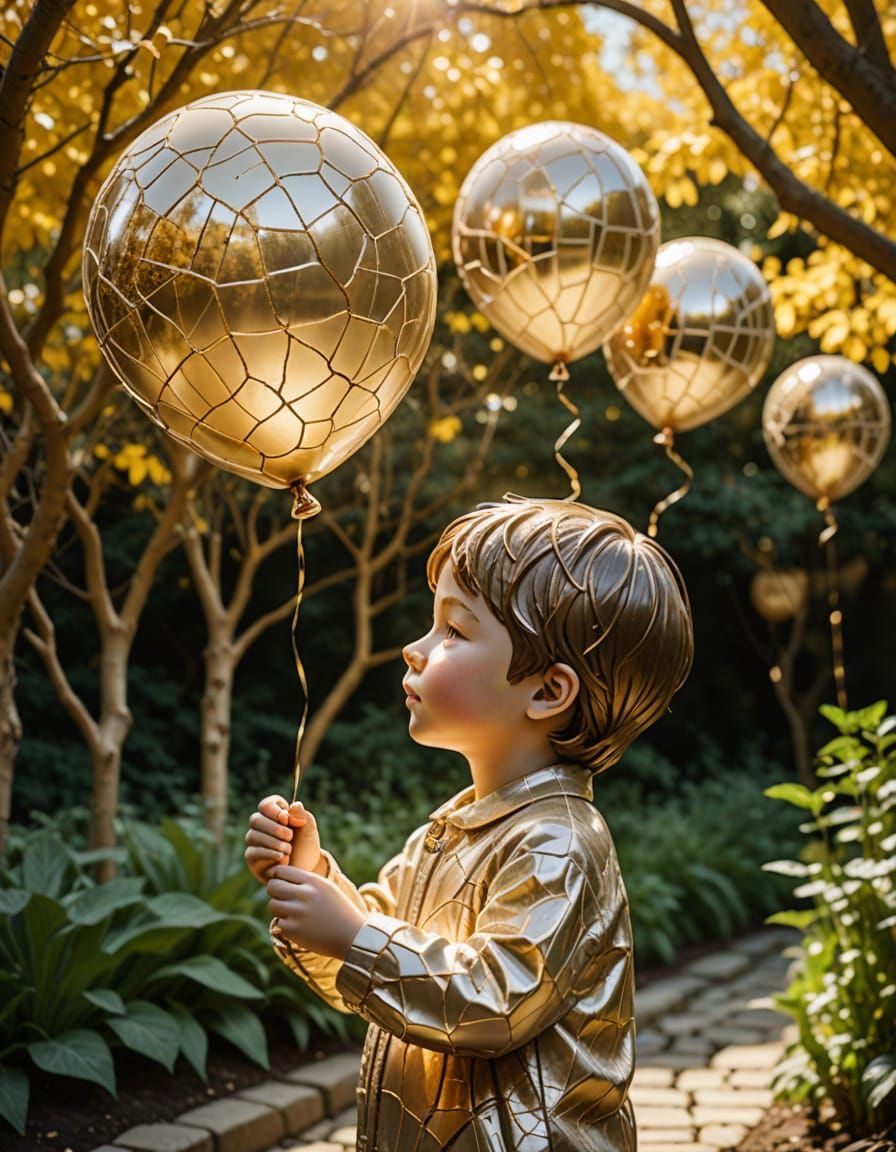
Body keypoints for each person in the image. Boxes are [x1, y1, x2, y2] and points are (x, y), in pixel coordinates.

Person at [245, 494, 694, 1152]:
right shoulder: (454, 827)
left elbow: (494, 1001)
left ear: (547, 691)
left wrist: (352, 936)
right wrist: (310, 879)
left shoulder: (561, 843)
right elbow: (368, 974)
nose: (415, 649)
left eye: (453, 631)